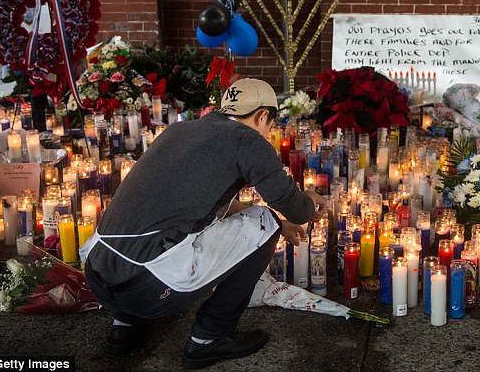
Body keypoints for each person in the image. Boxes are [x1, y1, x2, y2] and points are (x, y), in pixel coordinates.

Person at [82, 78, 326, 369]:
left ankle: (125, 325)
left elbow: (202, 203)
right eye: (270, 125)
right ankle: (210, 337)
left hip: (99, 276)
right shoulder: (248, 141)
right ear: (263, 116)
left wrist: (270, 219)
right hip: (148, 288)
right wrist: (309, 200)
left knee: (160, 227)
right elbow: (296, 210)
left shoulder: (181, 130)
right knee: (267, 222)